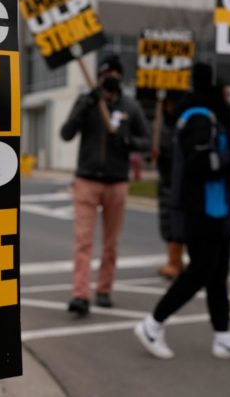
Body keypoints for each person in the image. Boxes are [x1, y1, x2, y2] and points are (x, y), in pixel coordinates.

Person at [134, 63, 230, 359]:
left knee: (218, 274)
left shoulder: (210, 115)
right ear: (214, 87)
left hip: (215, 209)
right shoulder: (200, 118)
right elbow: (201, 164)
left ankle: (224, 336)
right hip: (202, 210)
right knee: (200, 272)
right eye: (225, 86)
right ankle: (152, 325)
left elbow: (219, 154)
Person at [60, 53, 151, 316]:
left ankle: (104, 289)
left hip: (116, 182)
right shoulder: (87, 102)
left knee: (111, 243)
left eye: (114, 75)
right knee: (83, 241)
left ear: (121, 78)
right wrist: (84, 107)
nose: (109, 80)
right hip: (87, 179)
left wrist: (127, 142)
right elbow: (66, 134)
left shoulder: (130, 107)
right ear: (98, 77)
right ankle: (80, 294)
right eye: (105, 75)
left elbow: (146, 143)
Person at [151, 96, 185, 279]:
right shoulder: (160, 127)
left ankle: (176, 262)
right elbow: (150, 151)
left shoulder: (184, 125)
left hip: (181, 179)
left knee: (178, 223)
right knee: (168, 223)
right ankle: (174, 260)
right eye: (168, 104)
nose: (171, 107)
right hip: (166, 180)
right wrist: (153, 154)